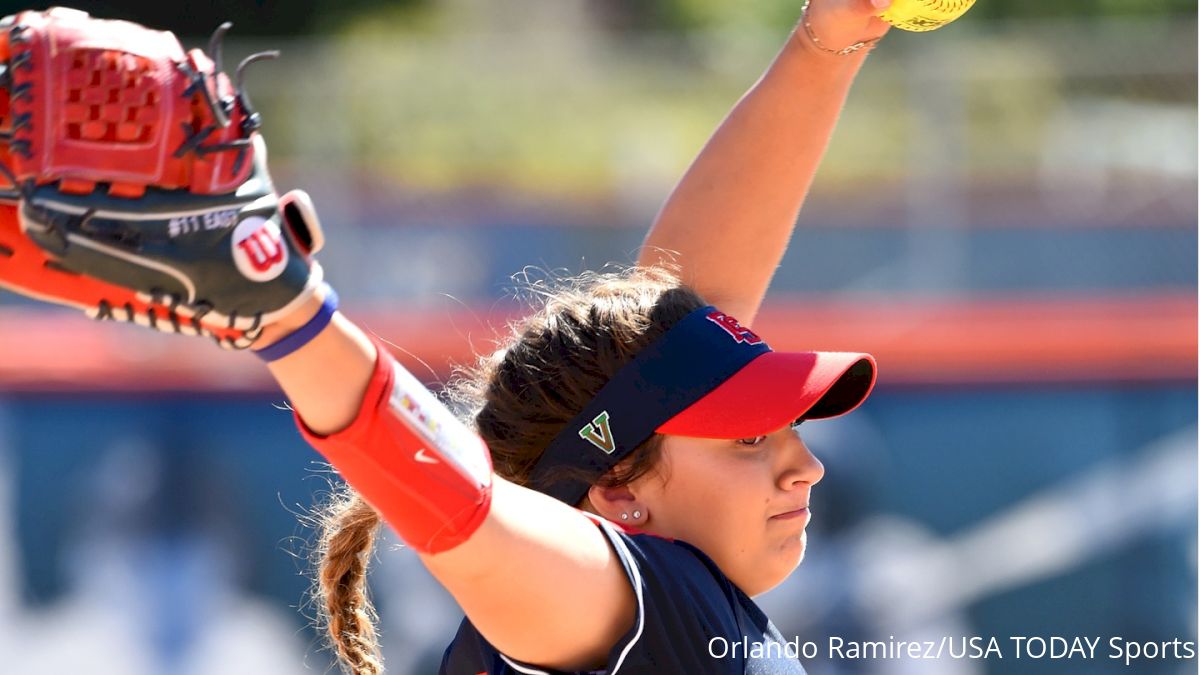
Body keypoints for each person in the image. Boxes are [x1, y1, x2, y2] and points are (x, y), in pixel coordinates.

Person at [0, 1, 892, 673]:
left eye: (785, 431)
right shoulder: (648, 604)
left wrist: (829, 44)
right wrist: (287, 315)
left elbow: (686, 308)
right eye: (749, 439)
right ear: (618, 494)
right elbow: (470, 514)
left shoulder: (675, 604)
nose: (804, 463)